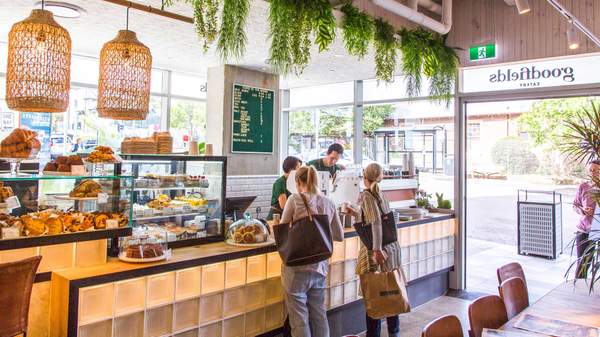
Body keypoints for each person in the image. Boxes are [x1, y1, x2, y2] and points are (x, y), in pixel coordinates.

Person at [280, 165, 344, 337]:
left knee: (299, 319)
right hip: (320, 267)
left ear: (298, 181)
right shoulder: (329, 202)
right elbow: (339, 235)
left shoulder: (294, 199)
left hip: (296, 268)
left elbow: (282, 229)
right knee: (319, 315)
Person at [347, 163, 402, 337]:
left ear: (365, 177)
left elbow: (376, 223)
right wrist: (356, 214)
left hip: (376, 253)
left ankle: (373, 334)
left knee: (374, 298)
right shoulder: (380, 194)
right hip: (391, 250)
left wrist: (376, 250)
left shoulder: (367, 195)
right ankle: (394, 332)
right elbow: (376, 220)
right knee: (391, 293)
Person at [572, 160, 600, 279]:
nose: (593, 173)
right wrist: (582, 210)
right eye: (591, 170)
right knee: (583, 264)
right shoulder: (583, 186)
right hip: (584, 230)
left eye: (597, 171)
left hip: (598, 230)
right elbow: (575, 205)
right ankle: (578, 292)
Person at [268, 156, 302, 220]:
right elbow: (283, 206)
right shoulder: (280, 182)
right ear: (291, 169)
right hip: (277, 217)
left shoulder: (295, 182)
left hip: (288, 216)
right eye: (298, 167)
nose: (300, 170)